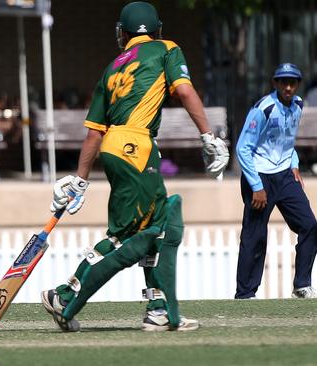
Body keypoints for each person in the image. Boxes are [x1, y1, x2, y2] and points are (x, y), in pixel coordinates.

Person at [40, 1, 229, 332]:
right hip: (137, 147)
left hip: (114, 147)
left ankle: (157, 307)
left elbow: (94, 132)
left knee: (154, 228)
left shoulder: (112, 67)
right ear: (156, 29)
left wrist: (80, 180)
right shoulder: (166, 49)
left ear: (123, 33)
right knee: (125, 236)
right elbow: (183, 90)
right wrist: (208, 136)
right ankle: (65, 294)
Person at [235, 63, 317, 299]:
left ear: (298, 84)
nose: (288, 87)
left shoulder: (299, 105)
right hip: (259, 177)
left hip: (284, 175)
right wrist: (257, 186)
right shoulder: (264, 108)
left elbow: (286, 141)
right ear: (276, 83)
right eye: (283, 82)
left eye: (293, 82)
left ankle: (302, 285)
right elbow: (243, 148)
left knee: (310, 225)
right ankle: (245, 294)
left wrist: (294, 164)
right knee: (255, 235)